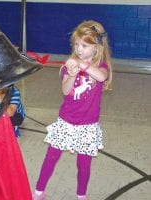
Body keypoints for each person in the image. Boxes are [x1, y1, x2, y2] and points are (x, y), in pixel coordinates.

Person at [33, 20, 112, 200]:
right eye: (76, 44)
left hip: (87, 125)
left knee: (83, 164)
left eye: (84, 45)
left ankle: (81, 195)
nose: (79, 49)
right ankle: (39, 191)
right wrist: (71, 73)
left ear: (97, 48)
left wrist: (84, 65)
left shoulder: (101, 68)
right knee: (51, 156)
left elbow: (101, 77)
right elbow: (65, 91)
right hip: (66, 121)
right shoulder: (69, 67)